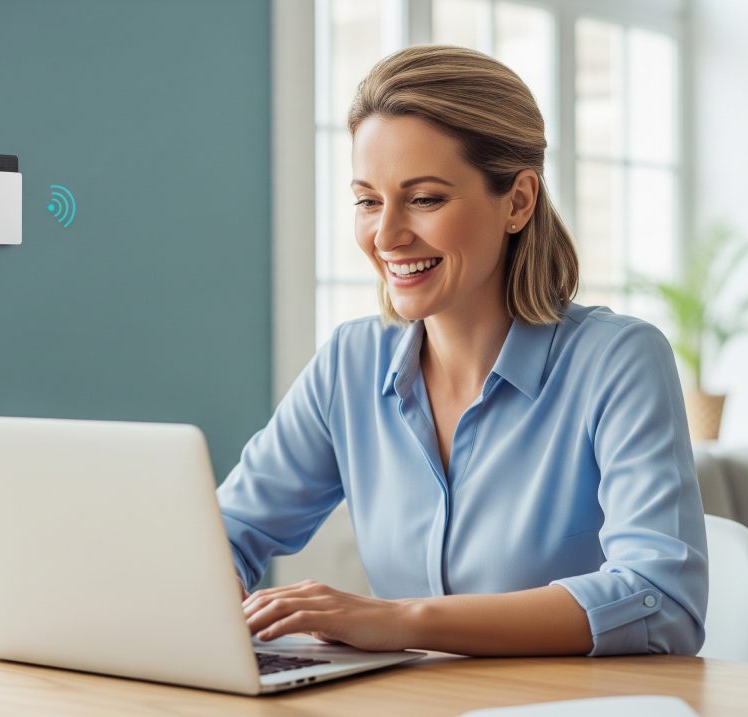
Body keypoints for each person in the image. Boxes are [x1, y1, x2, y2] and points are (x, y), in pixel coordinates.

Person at [217, 45, 708, 657]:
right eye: (368, 200)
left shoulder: (618, 360)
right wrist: (201, 598)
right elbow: (226, 536)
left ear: (519, 202)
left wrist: (401, 620)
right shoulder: (350, 364)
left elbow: (661, 601)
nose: (387, 235)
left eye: (424, 199)